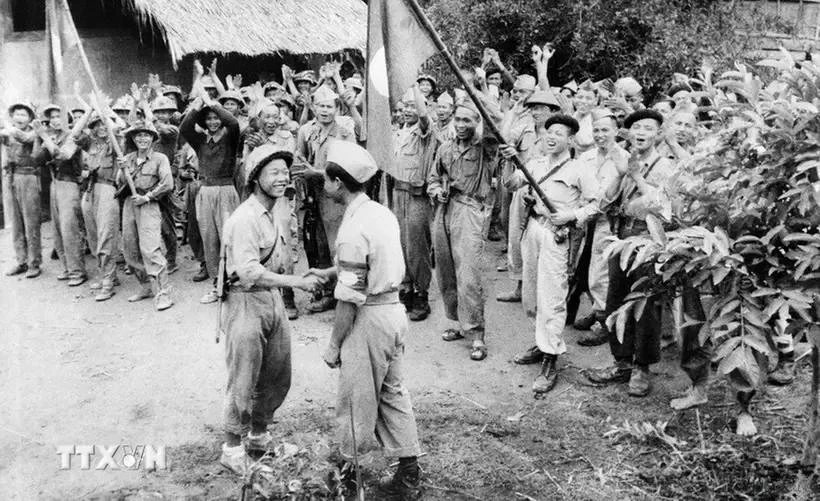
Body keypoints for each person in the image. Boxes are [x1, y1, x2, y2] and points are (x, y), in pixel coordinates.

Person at [309, 140, 423, 500]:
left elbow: (350, 297)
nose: (323, 185)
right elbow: (376, 263)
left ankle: (347, 480)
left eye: (326, 179)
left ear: (338, 184)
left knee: (355, 401)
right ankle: (409, 475)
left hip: (369, 318)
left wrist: (333, 344)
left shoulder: (351, 229)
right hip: (393, 312)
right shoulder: (378, 212)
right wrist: (333, 271)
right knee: (392, 394)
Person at [218, 143, 323, 476]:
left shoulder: (276, 209)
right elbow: (248, 273)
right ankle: (232, 448)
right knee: (243, 380)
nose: (281, 179)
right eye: (273, 172)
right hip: (246, 301)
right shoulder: (244, 218)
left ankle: (259, 436)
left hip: (271, 299)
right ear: (255, 178)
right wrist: (296, 282)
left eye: (284, 172)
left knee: (277, 375)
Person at [586, 109, 681, 396]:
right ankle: (622, 362)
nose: (640, 132)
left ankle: (642, 368)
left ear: (658, 134)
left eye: (648, 128)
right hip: (620, 236)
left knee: (645, 306)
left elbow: (662, 208)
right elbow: (604, 201)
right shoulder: (626, 161)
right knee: (616, 300)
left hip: (648, 239)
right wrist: (621, 172)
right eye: (636, 127)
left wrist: (638, 177)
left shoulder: (666, 166)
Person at [501, 115, 599, 393]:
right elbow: (510, 186)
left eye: (558, 133)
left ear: (570, 139)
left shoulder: (579, 168)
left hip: (557, 236)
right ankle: (541, 342)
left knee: (552, 295)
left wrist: (570, 215)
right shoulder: (535, 163)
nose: (551, 137)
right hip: (532, 229)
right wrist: (510, 159)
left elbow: (595, 205)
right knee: (531, 292)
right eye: (548, 132)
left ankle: (551, 356)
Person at [427, 99, 500, 361]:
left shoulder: (485, 149)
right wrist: (436, 191)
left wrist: (478, 91)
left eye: (467, 120)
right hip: (445, 210)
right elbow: (433, 178)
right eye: (458, 120)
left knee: (468, 274)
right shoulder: (445, 148)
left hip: (470, 211)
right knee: (445, 271)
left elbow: (495, 123)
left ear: (476, 123)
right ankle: (457, 322)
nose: (460, 125)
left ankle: (477, 334)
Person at [295, 85, 357, 313]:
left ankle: (348, 293)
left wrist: (319, 173)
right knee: (318, 244)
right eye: (320, 105)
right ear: (313, 107)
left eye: (329, 106)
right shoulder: (305, 130)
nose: (324, 110)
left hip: (337, 195)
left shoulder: (344, 131)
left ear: (337, 108)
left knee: (339, 245)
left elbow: (352, 164)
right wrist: (304, 174)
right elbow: (299, 157)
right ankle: (329, 292)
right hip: (312, 196)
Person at [180, 94, 241, 305]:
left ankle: (234, 282)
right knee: (209, 239)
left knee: (229, 239)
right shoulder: (200, 142)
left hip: (226, 190)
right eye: (209, 119)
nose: (213, 122)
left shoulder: (231, 138)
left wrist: (212, 101)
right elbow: (185, 128)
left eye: (216, 118)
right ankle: (217, 284)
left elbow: (232, 121)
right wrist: (198, 106)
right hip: (205, 192)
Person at [497, 88, 557, 302]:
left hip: (549, 192)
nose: (536, 112)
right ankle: (521, 287)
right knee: (517, 237)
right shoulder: (524, 128)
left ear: (552, 110)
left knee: (547, 242)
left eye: (541, 108)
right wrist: (512, 113)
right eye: (533, 108)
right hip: (522, 187)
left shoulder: (557, 134)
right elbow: (503, 139)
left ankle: (546, 292)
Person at [574, 109, 629, 343]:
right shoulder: (586, 157)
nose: (599, 135)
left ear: (616, 131)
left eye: (605, 130)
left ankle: (605, 321)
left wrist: (591, 209)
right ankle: (598, 310)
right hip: (586, 219)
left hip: (609, 221)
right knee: (584, 268)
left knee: (601, 271)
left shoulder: (623, 158)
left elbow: (610, 196)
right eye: (595, 130)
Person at [117, 121, 174, 311]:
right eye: (139, 135)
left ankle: (163, 292)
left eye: (147, 135)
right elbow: (119, 183)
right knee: (130, 248)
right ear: (133, 138)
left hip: (149, 204)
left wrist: (147, 197)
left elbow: (167, 184)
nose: (143, 138)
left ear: (153, 139)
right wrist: (122, 169)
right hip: (130, 203)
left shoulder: (160, 158)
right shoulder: (128, 158)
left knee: (150, 249)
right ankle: (145, 286)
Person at [392, 85, 437, 321]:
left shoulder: (426, 130)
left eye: (412, 105)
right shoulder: (399, 131)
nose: (408, 110)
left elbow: (422, 116)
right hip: (397, 192)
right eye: (405, 105)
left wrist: (413, 87)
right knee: (399, 243)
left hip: (417, 194)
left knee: (417, 245)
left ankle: (422, 293)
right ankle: (406, 288)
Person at [36, 104, 87, 286]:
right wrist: (40, 137)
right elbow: (38, 159)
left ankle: (77, 271)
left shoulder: (73, 136)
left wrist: (43, 137)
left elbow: (62, 155)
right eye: (53, 117)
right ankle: (67, 267)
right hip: (54, 184)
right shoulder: (52, 137)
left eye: (60, 116)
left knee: (69, 229)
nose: (56, 120)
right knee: (57, 229)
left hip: (69, 184)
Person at [80, 111, 122, 301]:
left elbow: (120, 128)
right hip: (89, 190)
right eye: (97, 124)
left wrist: (108, 115)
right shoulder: (91, 144)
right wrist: (89, 110)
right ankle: (106, 273)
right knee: (93, 235)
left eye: (104, 124)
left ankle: (108, 281)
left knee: (106, 235)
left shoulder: (116, 141)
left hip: (107, 189)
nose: (101, 127)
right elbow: (74, 134)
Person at [1, 102, 42, 278]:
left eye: (23, 115)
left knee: (30, 221)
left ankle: (34, 263)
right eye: (16, 114)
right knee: (16, 222)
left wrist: (8, 127)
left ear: (30, 118)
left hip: (28, 176)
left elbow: (25, 139)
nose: (19, 118)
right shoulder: (8, 132)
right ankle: (21, 261)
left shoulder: (34, 132)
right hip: (10, 176)